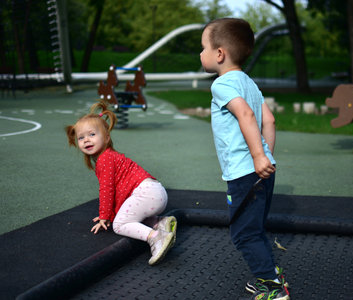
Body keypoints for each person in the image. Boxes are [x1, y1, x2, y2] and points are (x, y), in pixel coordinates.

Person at [200, 18, 290, 300]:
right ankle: (270, 275)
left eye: (202, 48)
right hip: (262, 170)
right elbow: (270, 121)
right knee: (255, 227)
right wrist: (266, 159)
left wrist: (257, 157)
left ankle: (273, 288)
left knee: (243, 233)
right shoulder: (249, 83)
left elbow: (246, 116)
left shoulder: (221, 85)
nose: (199, 54)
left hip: (246, 172)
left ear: (219, 54)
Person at [65, 102, 177, 265]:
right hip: (154, 193)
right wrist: (109, 214)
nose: (86, 140)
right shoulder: (109, 156)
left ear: (107, 137)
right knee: (125, 216)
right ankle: (159, 222)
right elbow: (119, 190)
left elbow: (107, 189)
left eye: (92, 135)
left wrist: (105, 215)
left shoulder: (105, 159)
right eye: (81, 137)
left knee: (120, 224)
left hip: (147, 194)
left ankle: (156, 236)